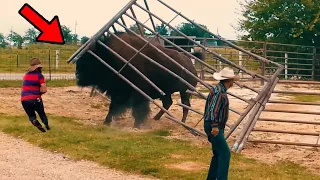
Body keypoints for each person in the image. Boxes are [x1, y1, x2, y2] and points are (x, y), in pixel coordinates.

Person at [203, 67, 240, 180]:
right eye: (232, 81)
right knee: (225, 154)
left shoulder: (218, 90)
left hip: (213, 125)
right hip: (215, 126)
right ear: (229, 81)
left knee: (218, 154)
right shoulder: (220, 93)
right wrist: (215, 126)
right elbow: (214, 109)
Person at [21, 58, 50, 132]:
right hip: (35, 99)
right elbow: (44, 89)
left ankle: (34, 121)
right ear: (39, 67)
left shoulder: (26, 75)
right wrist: (39, 93)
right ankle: (47, 127)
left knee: (31, 116)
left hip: (24, 99)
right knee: (42, 114)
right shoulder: (39, 75)